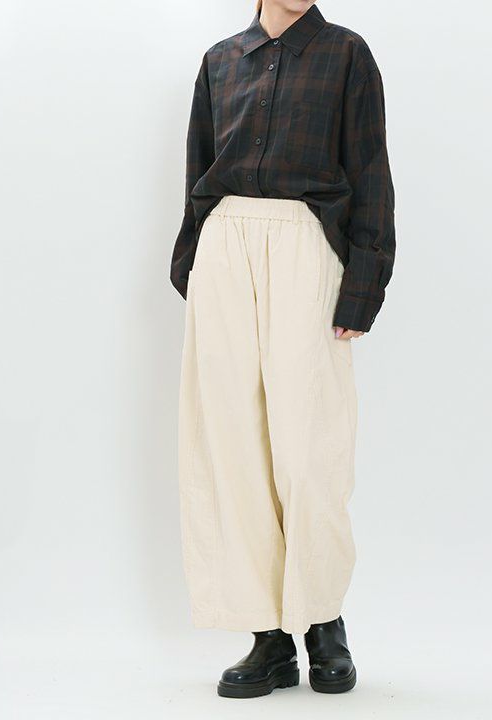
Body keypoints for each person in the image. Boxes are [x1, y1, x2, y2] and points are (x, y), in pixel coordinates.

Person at [170, 0, 395, 698]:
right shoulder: (219, 61)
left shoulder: (346, 53)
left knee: (309, 445)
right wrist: (193, 268)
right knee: (232, 446)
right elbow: (198, 170)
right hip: (224, 248)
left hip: (305, 244)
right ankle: (266, 636)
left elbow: (371, 172)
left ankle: (322, 619)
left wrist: (363, 286)